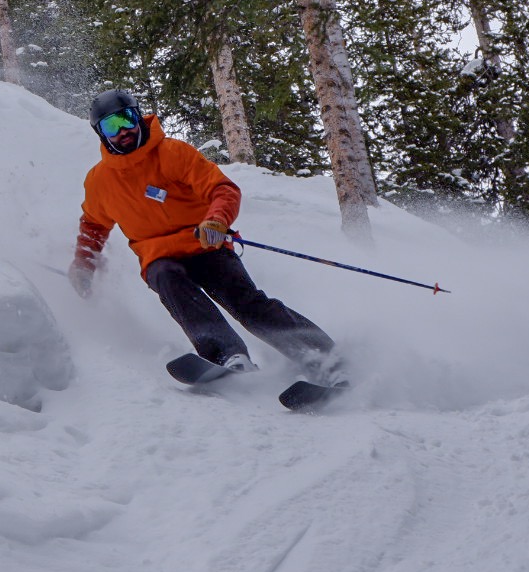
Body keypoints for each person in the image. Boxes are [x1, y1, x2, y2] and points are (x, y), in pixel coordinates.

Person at [67, 89, 339, 377]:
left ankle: (324, 357)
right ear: (101, 134)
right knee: (166, 278)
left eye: (126, 119)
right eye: (112, 126)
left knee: (245, 303)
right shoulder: (101, 182)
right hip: (159, 257)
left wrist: (216, 220)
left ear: (138, 117)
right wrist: (84, 263)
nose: (123, 131)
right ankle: (228, 357)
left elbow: (222, 189)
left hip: (205, 244)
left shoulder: (172, 153)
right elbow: (94, 225)